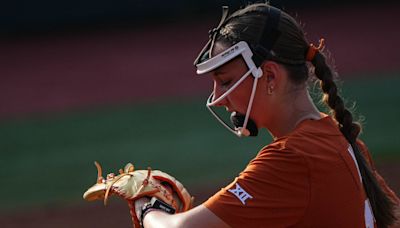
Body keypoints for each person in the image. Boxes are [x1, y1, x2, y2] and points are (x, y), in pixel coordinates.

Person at [136, 3, 400, 227]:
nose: (218, 99)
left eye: (226, 81)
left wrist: (148, 208)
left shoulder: (293, 158)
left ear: (270, 76)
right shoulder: (339, 137)